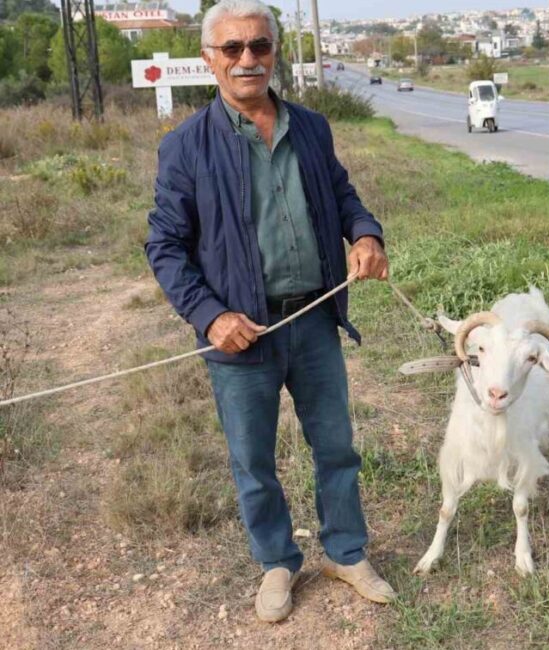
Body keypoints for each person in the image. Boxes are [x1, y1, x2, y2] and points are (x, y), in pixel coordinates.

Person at [145, 0, 394, 623]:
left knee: (336, 447)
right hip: (241, 336)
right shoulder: (184, 147)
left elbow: (342, 196)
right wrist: (209, 315)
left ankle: (344, 551)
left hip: (312, 320)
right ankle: (278, 562)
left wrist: (365, 235)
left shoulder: (310, 127)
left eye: (259, 46)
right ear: (209, 60)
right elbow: (165, 246)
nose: (248, 59)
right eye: (233, 49)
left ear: (274, 53)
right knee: (253, 462)